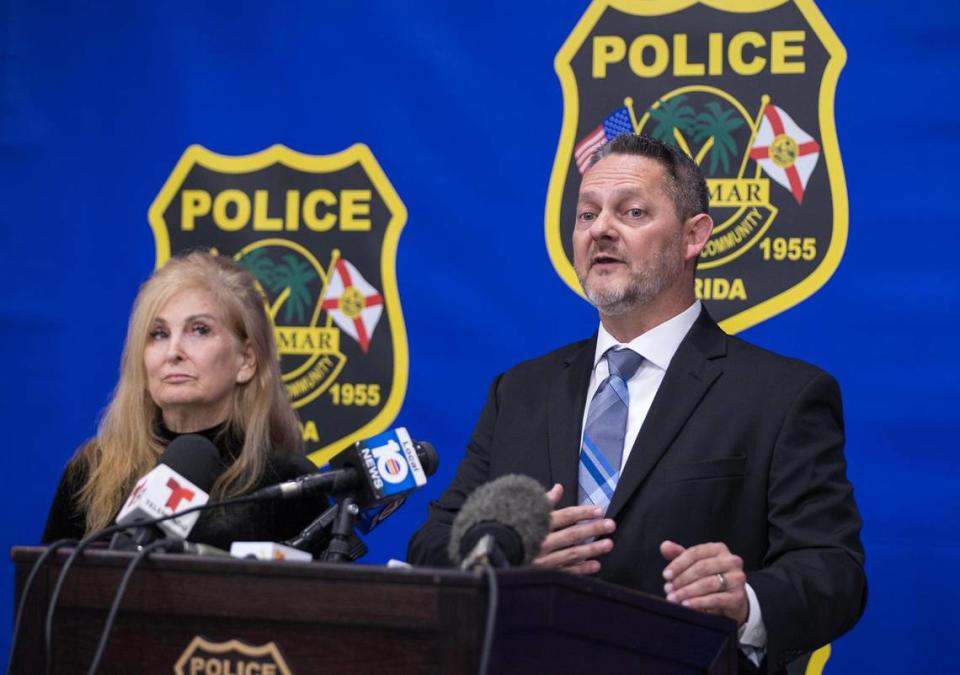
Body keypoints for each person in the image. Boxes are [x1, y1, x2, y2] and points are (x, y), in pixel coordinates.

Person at [407, 134, 866, 673]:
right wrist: (503, 556)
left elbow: (833, 571)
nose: (600, 229)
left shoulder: (781, 396)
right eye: (585, 215)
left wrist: (747, 600)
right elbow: (433, 543)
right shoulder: (521, 391)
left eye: (632, 212)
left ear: (694, 236)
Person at [43, 252, 326, 552]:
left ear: (246, 361)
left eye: (199, 330)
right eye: (158, 334)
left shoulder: (289, 484)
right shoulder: (92, 472)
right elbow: (47, 590)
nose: (173, 352)